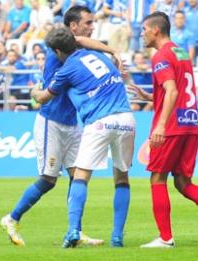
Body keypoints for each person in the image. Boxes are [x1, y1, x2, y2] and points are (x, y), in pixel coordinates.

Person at [1, 6, 122, 247]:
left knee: (78, 176)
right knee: (48, 179)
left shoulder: (72, 47)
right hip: (51, 122)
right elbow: (46, 95)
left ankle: (74, 230)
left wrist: (111, 50)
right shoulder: (57, 53)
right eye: (87, 23)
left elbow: (85, 41)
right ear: (73, 26)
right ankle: (12, 218)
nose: (91, 27)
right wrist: (37, 93)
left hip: (71, 123)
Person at [129, 12, 198, 248]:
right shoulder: (180, 51)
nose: (142, 33)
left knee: (157, 177)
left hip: (172, 126)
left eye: (144, 29)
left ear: (156, 30)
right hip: (191, 123)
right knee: (183, 182)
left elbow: (173, 91)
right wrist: (152, 96)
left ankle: (165, 238)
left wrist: (161, 125)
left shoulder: (160, 56)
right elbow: (177, 90)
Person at [31, 26, 135, 249]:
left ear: (58, 51)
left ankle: (73, 231)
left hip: (100, 121)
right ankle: (117, 237)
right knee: (122, 177)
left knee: (80, 176)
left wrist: (34, 92)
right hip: (127, 118)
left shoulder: (65, 71)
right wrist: (114, 51)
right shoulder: (99, 56)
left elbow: (43, 98)